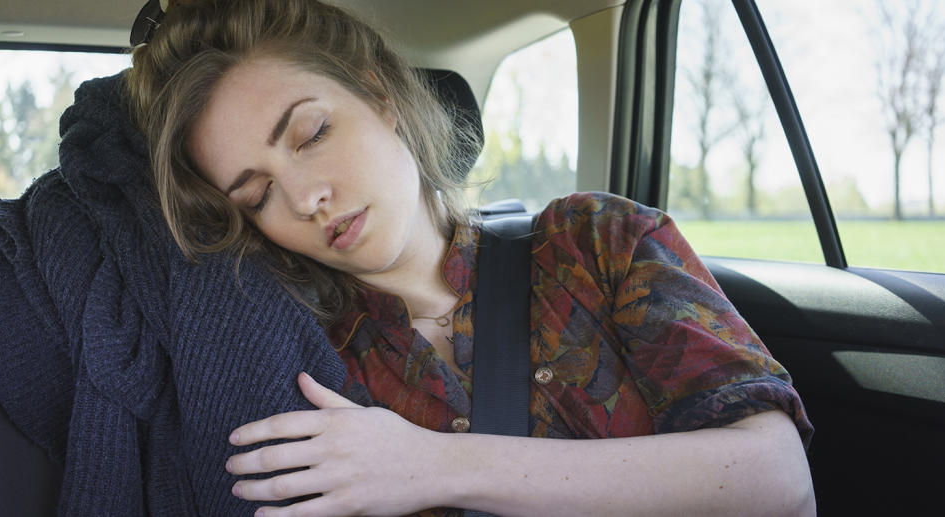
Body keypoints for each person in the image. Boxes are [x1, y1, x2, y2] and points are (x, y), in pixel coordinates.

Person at [125, 0, 815, 515]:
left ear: (380, 96)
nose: (307, 198)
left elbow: (777, 479)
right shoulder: (310, 361)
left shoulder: (598, 243)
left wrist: (433, 464)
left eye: (311, 134)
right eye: (258, 194)